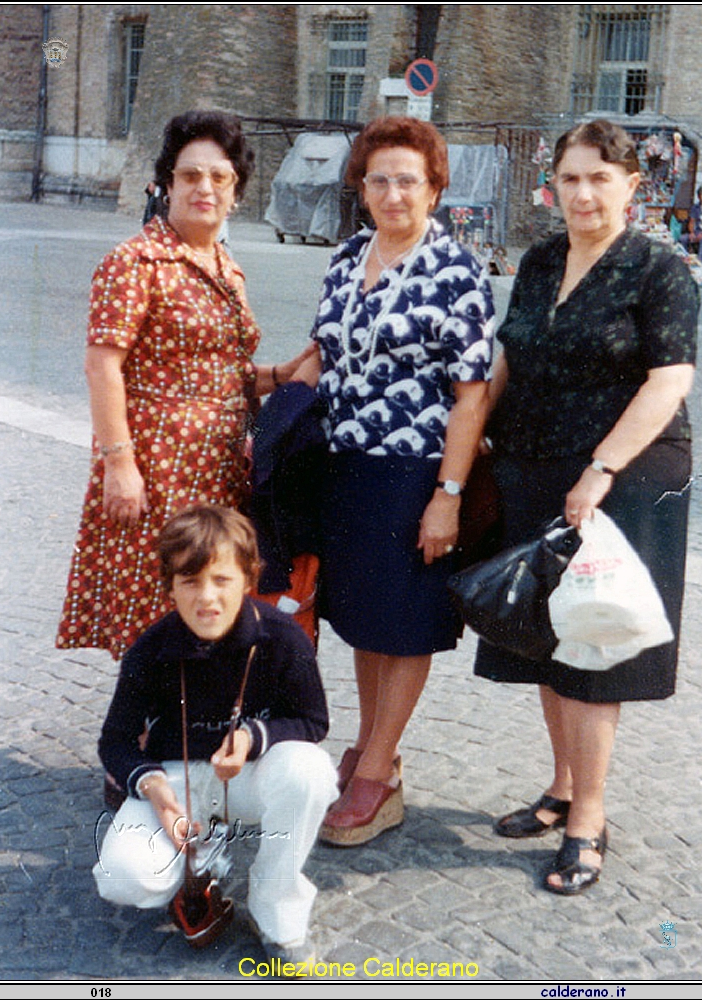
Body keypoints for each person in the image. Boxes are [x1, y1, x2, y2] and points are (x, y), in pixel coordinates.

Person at [475, 119, 698, 894]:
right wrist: (470, 443)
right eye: (570, 178)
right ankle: (565, 785)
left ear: (634, 187)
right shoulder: (539, 260)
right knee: (548, 640)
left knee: (595, 646)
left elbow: (668, 382)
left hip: (624, 473)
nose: (583, 193)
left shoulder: (657, 269)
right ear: (554, 186)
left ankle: (589, 818)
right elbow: (507, 356)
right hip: (534, 464)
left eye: (601, 178)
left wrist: (601, 469)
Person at [293, 116, 495, 846]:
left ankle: (378, 771)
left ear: (434, 187)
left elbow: (472, 394)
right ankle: (372, 746)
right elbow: (326, 351)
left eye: (408, 178)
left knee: (405, 621)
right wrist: (273, 382)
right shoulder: (350, 255)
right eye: (378, 178)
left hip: (416, 472)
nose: (392, 192)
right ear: (362, 187)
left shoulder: (455, 270)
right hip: (348, 465)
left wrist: (448, 496)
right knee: (365, 616)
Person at [57, 110, 315, 661]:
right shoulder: (134, 263)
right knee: (158, 596)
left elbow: (224, 369)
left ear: (236, 192)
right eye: (190, 175)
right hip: (158, 464)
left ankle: (192, 726)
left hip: (219, 468)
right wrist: (119, 464)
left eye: (219, 178)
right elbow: (102, 366)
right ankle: (150, 731)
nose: (205, 188)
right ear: (166, 183)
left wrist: (278, 377)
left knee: (208, 595)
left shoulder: (225, 264)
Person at [93, 505, 337, 965]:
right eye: (190, 581)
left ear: (249, 578)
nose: (207, 598)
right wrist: (156, 791)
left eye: (221, 580)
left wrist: (251, 739)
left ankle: (276, 909)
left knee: (310, 771)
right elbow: (115, 741)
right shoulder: (150, 649)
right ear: (169, 586)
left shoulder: (283, 638)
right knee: (123, 878)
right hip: (176, 779)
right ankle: (197, 862)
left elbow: (312, 721)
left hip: (250, 777)